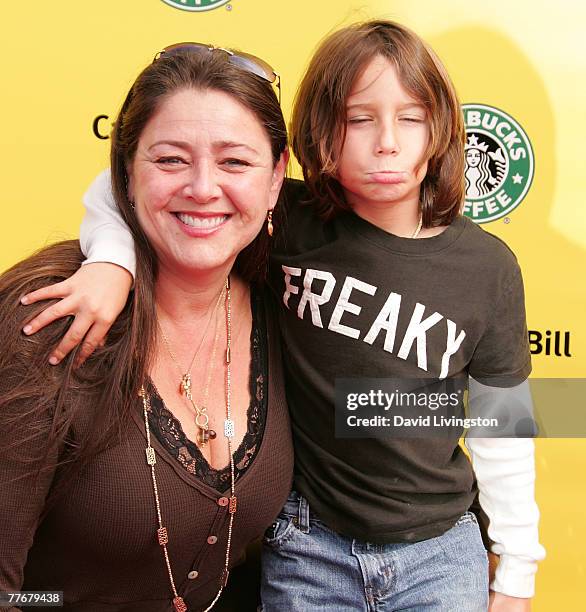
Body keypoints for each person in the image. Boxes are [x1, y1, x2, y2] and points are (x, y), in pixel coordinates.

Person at [19, 21, 545, 611]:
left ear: (443, 129)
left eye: (412, 117)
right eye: (359, 119)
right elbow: (131, 183)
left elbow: (506, 427)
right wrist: (114, 263)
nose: (387, 142)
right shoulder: (288, 216)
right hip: (306, 543)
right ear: (319, 133)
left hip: (438, 550)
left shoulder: (486, 267)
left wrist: (517, 569)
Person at [0, 45, 294, 612]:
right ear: (124, 173)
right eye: (170, 161)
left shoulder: (286, 304)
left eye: (235, 162)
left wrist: (485, 541)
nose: (204, 188)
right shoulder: (48, 322)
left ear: (277, 177)